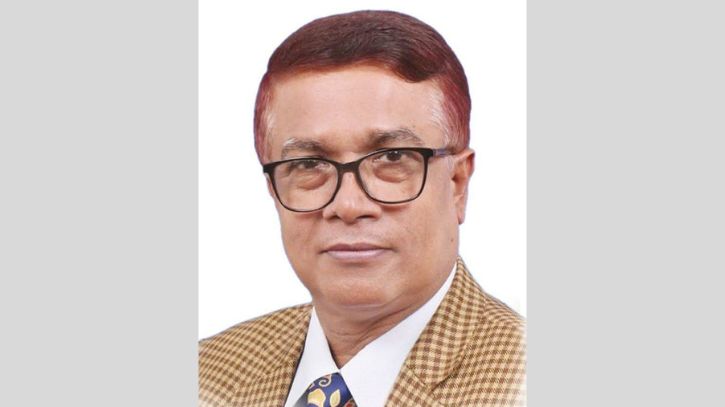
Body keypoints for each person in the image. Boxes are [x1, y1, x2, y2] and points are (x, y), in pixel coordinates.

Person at [199, 10, 525, 407]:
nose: (348, 205)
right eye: (309, 164)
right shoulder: (205, 373)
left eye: (392, 158)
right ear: (272, 187)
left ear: (458, 183)